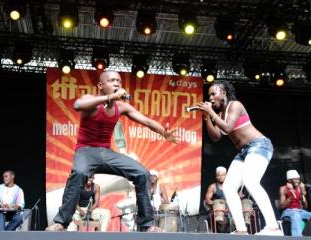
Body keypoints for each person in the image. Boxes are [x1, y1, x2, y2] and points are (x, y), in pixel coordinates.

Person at [46, 71, 178, 232]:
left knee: (143, 173)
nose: (117, 83)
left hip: (107, 153)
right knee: (79, 173)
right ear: (101, 86)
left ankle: (147, 225)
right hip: (86, 151)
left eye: (119, 81)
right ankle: (61, 222)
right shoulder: (90, 100)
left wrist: (164, 133)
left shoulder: (121, 106)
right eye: (112, 80)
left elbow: (146, 121)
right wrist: (110, 98)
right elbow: (77, 105)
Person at [197, 80, 282, 235]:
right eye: (209, 95)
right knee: (229, 187)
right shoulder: (220, 114)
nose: (210, 97)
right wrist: (207, 117)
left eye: (213, 93)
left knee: (250, 181)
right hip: (244, 152)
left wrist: (211, 113)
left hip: (259, 145)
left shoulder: (235, 105)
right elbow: (216, 136)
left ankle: (273, 227)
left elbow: (228, 127)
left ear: (223, 92)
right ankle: (241, 230)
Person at [279, 169, 311, 236]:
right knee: (296, 215)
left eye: (298, 179)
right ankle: (297, 238)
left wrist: (303, 194)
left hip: (300, 211)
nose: (298, 180)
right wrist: (291, 193)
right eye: (295, 179)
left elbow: (305, 206)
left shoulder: (299, 188)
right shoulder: (283, 188)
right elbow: (282, 206)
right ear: (289, 180)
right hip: (288, 211)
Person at [204, 166, 229, 233]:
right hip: (215, 211)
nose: (221, 177)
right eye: (219, 175)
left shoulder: (230, 187)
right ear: (216, 176)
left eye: (223, 175)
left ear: (226, 176)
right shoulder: (213, 187)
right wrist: (217, 204)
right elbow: (207, 200)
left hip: (228, 211)